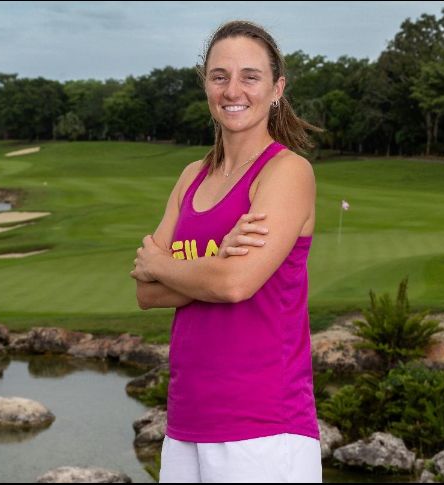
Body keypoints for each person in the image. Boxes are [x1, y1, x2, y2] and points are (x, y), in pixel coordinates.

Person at [130, 19, 322, 483]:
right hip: (186, 423)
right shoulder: (192, 175)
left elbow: (235, 285)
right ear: (206, 85)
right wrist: (213, 266)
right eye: (220, 76)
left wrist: (164, 263)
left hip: (263, 428)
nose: (233, 89)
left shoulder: (287, 172)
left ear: (277, 88)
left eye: (250, 76)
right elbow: (146, 294)